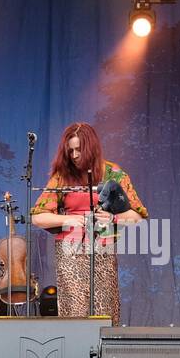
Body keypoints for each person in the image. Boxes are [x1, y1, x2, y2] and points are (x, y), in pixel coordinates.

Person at [30, 122, 148, 323]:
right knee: (74, 308)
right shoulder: (62, 177)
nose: (74, 155)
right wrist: (69, 219)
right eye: (70, 151)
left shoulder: (113, 173)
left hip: (103, 248)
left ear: (91, 148)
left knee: (104, 308)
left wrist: (114, 218)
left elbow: (137, 216)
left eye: (79, 150)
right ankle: (74, 352)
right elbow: (38, 217)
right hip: (70, 250)